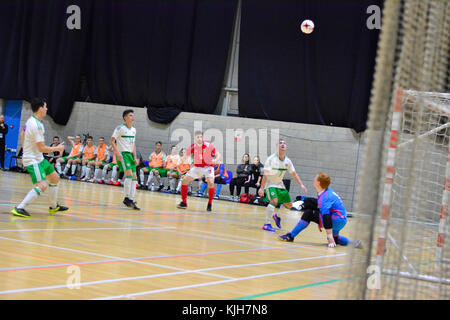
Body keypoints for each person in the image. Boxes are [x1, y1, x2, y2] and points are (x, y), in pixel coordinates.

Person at [10, 98, 68, 217]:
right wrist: (57, 149)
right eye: (45, 107)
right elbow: (42, 148)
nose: (47, 109)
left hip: (38, 158)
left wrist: (26, 148)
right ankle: (20, 207)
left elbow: (22, 133)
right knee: (42, 185)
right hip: (32, 160)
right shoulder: (36, 125)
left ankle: (53, 206)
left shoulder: (31, 121)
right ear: (40, 108)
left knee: (55, 178)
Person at [279, 172, 362, 249]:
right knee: (335, 239)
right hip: (342, 219)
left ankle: (291, 236)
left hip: (336, 219)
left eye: (315, 178)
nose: (313, 180)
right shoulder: (326, 191)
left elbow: (327, 216)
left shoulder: (325, 197)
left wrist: (329, 237)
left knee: (309, 214)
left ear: (318, 183)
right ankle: (355, 244)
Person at [258, 139, 308, 232]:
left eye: (284, 143)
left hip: (280, 184)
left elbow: (294, 174)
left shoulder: (288, 161)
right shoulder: (271, 159)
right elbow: (265, 175)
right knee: (274, 201)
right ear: (277, 147)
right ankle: (267, 224)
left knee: (289, 205)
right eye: (280, 143)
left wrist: (301, 185)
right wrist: (261, 188)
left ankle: (277, 216)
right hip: (270, 184)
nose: (283, 144)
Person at [177, 131, 221, 212]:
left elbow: (218, 154)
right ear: (195, 138)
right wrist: (182, 159)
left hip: (208, 167)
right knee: (184, 181)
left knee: (211, 182)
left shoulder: (208, 145)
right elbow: (185, 157)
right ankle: (184, 202)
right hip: (197, 167)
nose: (199, 138)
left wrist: (216, 159)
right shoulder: (192, 147)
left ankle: (210, 203)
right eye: (198, 137)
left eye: (201, 137)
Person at [110, 109, 140, 210]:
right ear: (125, 118)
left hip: (130, 155)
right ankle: (127, 198)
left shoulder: (134, 130)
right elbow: (112, 141)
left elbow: (133, 144)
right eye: (130, 115)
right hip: (122, 154)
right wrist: (117, 152)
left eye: (133, 115)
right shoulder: (120, 128)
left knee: (135, 177)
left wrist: (135, 157)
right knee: (129, 175)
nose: (133, 117)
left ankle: (130, 199)